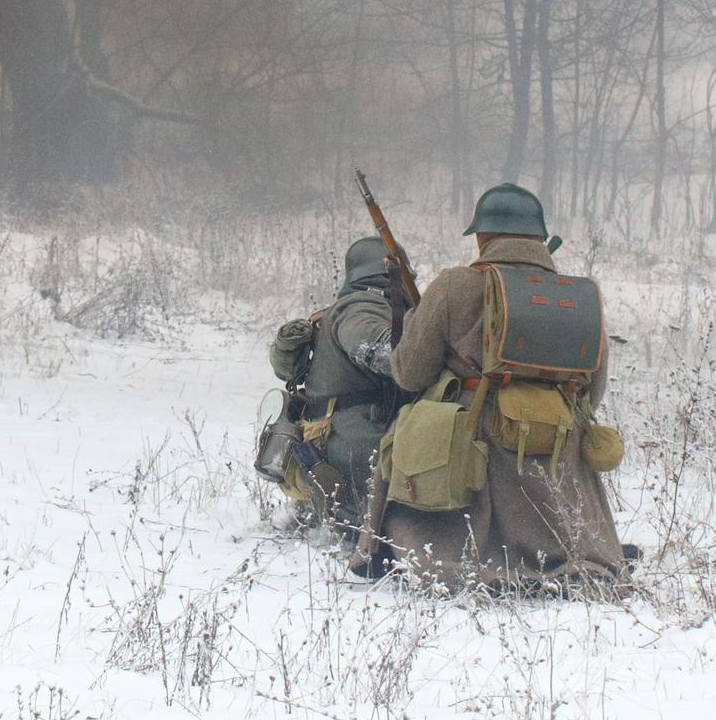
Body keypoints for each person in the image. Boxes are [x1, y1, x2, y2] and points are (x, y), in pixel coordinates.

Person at [351, 183, 627, 591]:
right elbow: (592, 392)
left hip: (471, 448)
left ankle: (412, 554)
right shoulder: (581, 296)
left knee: (405, 436)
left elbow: (408, 373)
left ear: (483, 237)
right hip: (559, 452)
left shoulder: (454, 285)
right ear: (539, 237)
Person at [261, 236, 404, 531]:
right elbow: (387, 353)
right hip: (357, 449)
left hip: (323, 453)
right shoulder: (362, 308)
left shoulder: (337, 312)